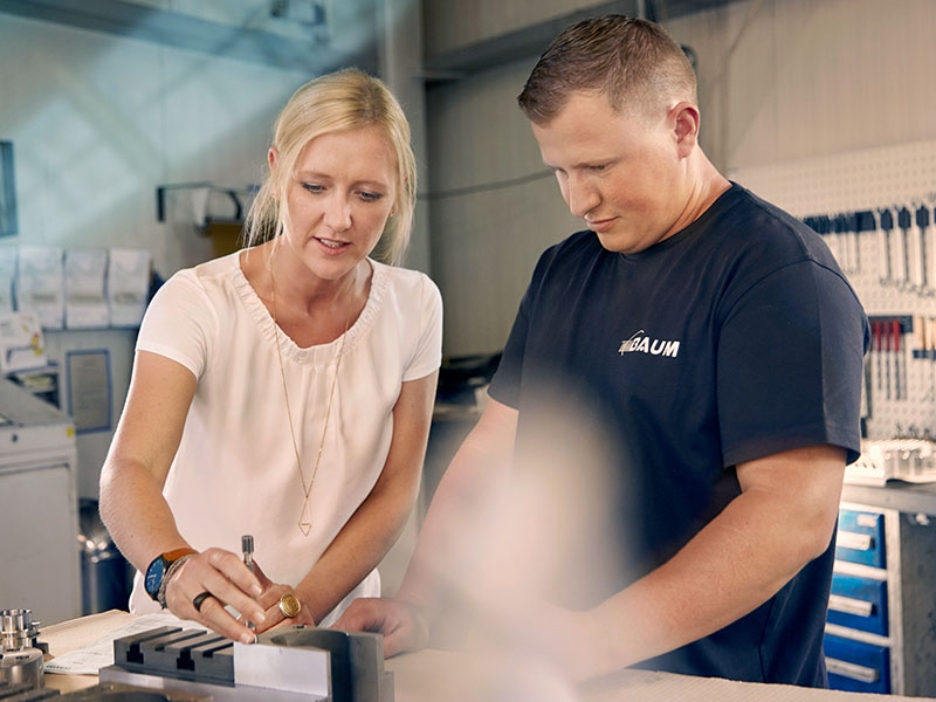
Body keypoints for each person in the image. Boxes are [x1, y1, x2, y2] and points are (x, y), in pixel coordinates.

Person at [335, 15, 868, 688]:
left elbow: (792, 515)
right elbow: (491, 456)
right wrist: (420, 600)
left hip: (718, 683)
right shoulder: (563, 273)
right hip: (564, 675)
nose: (578, 199)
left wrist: (601, 636)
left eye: (598, 167)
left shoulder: (776, 276)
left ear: (681, 127)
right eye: (558, 171)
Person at [99, 67, 443, 645]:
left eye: (368, 194)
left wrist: (302, 606)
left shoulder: (415, 305)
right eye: (315, 187)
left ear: (397, 195)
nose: (340, 219)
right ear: (277, 170)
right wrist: (175, 567)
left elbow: (394, 490)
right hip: (192, 631)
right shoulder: (196, 301)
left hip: (336, 629)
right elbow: (128, 473)